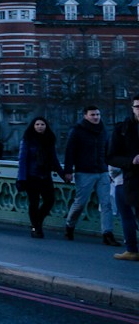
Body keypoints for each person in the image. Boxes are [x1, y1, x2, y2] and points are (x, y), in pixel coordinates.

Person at [63, 105, 120, 246]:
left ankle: (107, 234)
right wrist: (68, 171)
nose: (96, 117)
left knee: (106, 204)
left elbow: (107, 151)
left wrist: (110, 170)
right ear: (85, 116)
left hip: (102, 172)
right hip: (84, 172)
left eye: (98, 114)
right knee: (80, 203)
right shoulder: (77, 131)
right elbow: (69, 151)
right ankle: (69, 225)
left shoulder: (103, 131)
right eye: (93, 114)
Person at [17, 117, 60, 239]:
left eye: (42, 124)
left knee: (49, 200)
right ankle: (36, 228)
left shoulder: (49, 140)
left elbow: (54, 159)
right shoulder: (27, 140)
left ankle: (37, 223)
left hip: (45, 175)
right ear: (33, 126)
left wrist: (63, 174)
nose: (40, 126)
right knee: (34, 203)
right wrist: (21, 179)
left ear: (46, 126)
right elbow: (22, 160)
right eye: (37, 124)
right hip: (32, 176)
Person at [112, 96, 139, 263]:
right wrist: (131, 161)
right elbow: (111, 156)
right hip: (130, 178)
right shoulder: (123, 128)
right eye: (137, 106)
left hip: (126, 180)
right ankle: (131, 249)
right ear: (132, 108)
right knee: (127, 215)